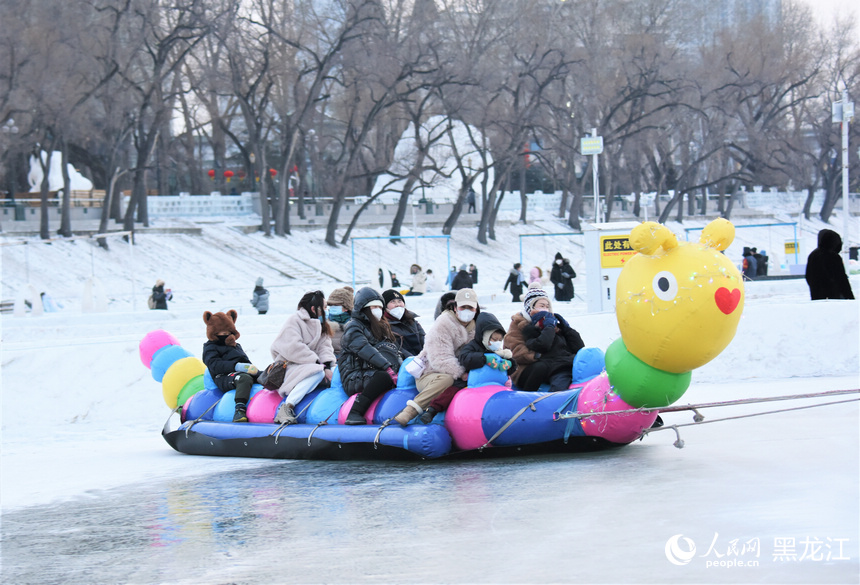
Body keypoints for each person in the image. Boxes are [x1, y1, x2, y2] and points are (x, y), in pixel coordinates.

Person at [394, 288, 479, 425]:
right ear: (456, 308)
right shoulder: (443, 324)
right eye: (463, 307)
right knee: (447, 379)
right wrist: (463, 374)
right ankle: (411, 411)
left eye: (471, 308)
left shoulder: (477, 327)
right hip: (431, 373)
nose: (467, 311)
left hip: (460, 373)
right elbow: (440, 358)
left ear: (476, 309)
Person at [418, 311, 517, 424]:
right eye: (494, 339)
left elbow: (512, 365)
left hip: (493, 384)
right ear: (485, 335)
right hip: (470, 380)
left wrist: (510, 364)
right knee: (451, 391)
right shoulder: (473, 346)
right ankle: (432, 410)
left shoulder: (499, 351)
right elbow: (465, 358)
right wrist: (483, 358)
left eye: (499, 340)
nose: (497, 343)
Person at [338, 287, 403, 425]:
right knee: (383, 378)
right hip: (354, 374)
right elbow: (364, 349)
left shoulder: (379, 327)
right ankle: (355, 412)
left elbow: (393, 349)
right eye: (374, 307)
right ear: (364, 308)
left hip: (371, 369)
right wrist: (387, 368)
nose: (378, 310)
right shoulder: (353, 327)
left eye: (380, 307)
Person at [270, 291, 336, 424]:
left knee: (337, 372)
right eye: (324, 307)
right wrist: (318, 364)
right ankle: (287, 406)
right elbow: (293, 347)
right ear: (313, 308)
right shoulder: (294, 321)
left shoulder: (321, 325)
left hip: (313, 365)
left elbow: (325, 347)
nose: (326, 310)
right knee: (316, 373)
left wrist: (328, 365)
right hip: (291, 365)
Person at [504, 288, 584, 392]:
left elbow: (577, 346)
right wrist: (539, 355)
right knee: (541, 367)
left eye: (547, 306)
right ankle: (528, 397)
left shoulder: (552, 324)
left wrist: (566, 328)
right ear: (531, 307)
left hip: (557, 363)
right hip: (526, 367)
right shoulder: (520, 325)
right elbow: (517, 352)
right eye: (542, 306)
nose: (546, 309)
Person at [202, 310, 260, 422]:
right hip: (223, 377)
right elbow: (214, 365)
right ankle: (239, 410)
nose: (226, 336)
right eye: (222, 334)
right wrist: (237, 366)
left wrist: (253, 370)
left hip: (239, 372)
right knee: (244, 378)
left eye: (228, 333)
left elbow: (245, 361)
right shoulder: (210, 347)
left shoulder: (236, 346)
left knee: (264, 376)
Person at [805, 229, 855, 300]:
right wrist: (849, 296)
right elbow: (841, 279)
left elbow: (808, 276)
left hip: (816, 295)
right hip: (834, 295)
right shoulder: (833, 256)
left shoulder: (813, 255)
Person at [382, 289, 426, 357]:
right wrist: (413, 360)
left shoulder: (412, 321)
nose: (397, 305)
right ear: (385, 306)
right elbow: (395, 349)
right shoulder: (383, 325)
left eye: (400, 301)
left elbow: (424, 340)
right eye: (393, 302)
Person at [326, 286, 354, 356]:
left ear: (346, 307)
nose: (333, 307)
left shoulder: (356, 325)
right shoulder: (325, 326)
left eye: (336, 305)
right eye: (331, 305)